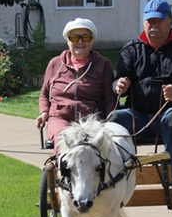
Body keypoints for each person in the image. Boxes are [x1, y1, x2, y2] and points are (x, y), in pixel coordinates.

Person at [111, 0, 172, 199]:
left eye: (159, 21)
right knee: (114, 120)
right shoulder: (131, 50)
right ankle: (113, 178)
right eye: (150, 21)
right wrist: (119, 86)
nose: (154, 25)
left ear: (170, 21)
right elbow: (118, 80)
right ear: (144, 22)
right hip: (137, 116)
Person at [36, 18, 117, 154]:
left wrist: (109, 120)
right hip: (60, 118)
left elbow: (110, 98)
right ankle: (61, 173)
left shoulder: (103, 65)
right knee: (64, 141)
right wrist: (44, 112)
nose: (80, 41)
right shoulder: (55, 64)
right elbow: (44, 94)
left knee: (93, 150)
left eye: (85, 37)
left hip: (91, 120)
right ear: (67, 41)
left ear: (92, 40)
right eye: (74, 37)